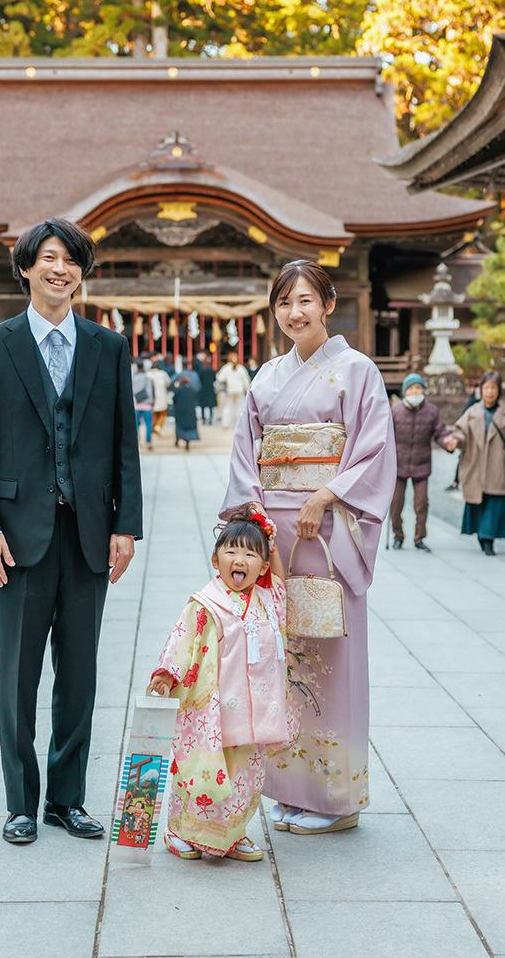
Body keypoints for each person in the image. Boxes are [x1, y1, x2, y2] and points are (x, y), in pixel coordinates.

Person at [0, 217, 143, 845]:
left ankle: (67, 800)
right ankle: (20, 802)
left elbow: (125, 443)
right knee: (17, 675)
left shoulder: (108, 346)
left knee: (80, 675)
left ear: (81, 272)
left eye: (70, 260)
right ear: (26, 268)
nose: (59, 269)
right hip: (17, 537)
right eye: (47, 258)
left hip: (89, 532)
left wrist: (126, 525)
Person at [221, 259, 396, 834]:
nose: (294, 313)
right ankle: (293, 789)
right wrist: (254, 521)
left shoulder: (357, 370)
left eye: (305, 301)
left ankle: (336, 799)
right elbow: (246, 453)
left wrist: (325, 494)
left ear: (328, 304)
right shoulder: (267, 376)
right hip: (276, 532)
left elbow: (374, 449)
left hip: (330, 529)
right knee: (282, 658)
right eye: (284, 303)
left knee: (331, 655)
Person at [150, 505, 298, 860]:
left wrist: (271, 540)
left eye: (251, 554)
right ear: (216, 560)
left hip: (254, 711)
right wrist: (166, 674)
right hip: (213, 710)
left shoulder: (267, 601)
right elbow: (183, 640)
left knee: (245, 778)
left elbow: (280, 584)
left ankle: (231, 835)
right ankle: (179, 830)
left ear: (263, 567)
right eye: (231, 551)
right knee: (201, 772)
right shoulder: (206, 603)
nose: (240, 559)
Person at [389, 373, 456, 552]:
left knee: (421, 504)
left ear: (423, 390)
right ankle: (398, 536)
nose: (414, 391)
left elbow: (440, 433)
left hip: (421, 463)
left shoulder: (432, 411)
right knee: (396, 503)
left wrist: (447, 442)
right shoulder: (395, 411)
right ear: (405, 391)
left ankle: (419, 538)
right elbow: (386, 436)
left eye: (418, 388)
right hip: (399, 464)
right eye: (411, 388)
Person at [445, 371, 505, 556]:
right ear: (481, 389)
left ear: (499, 390)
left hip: (498, 466)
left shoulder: (503, 412)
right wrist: (455, 440)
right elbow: (461, 432)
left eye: (493, 388)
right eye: (486, 388)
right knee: (478, 502)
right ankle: (482, 535)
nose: (490, 392)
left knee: (495, 503)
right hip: (476, 464)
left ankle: (487, 538)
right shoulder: (473, 411)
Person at [216, 351, 251, 428]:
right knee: (239, 408)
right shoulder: (241, 368)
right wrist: (247, 391)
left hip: (230, 390)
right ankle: (238, 424)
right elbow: (245, 381)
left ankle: (225, 423)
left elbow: (220, 378)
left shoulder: (226, 368)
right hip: (239, 390)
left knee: (227, 407)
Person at [172, 375, 199, 451]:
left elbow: (174, 398)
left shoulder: (179, 389)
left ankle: (178, 439)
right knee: (188, 427)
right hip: (190, 410)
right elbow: (196, 399)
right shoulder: (192, 389)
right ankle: (187, 442)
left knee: (179, 426)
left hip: (180, 410)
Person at [132, 359, 154, 449]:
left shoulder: (133, 379)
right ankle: (148, 442)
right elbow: (150, 392)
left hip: (136, 404)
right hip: (147, 404)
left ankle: (137, 441)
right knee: (148, 424)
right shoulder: (147, 379)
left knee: (136, 424)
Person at [148, 361, 171, 435]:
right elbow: (168, 383)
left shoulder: (148, 374)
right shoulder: (162, 374)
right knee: (163, 413)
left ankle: (154, 427)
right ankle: (158, 426)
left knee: (153, 413)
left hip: (151, 396)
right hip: (161, 395)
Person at [196, 353, 218, 425]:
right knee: (210, 406)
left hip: (203, 389)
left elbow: (199, 379)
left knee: (202, 405)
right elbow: (214, 379)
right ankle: (210, 419)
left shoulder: (201, 371)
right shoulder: (212, 371)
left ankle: (203, 419)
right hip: (210, 389)